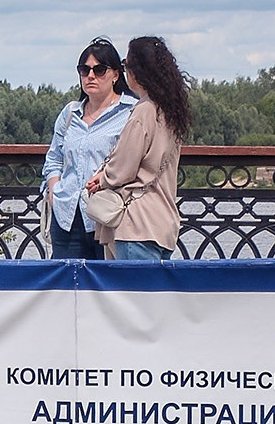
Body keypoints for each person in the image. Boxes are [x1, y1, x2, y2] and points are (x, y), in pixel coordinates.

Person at [85, 36, 189, 262]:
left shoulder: (143, 111)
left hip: (137, 224)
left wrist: (101, 179)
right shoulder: (169, 111)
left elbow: (123, 167)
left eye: (126, 64)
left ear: (137, 71)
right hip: (163, 222)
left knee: (130, 285)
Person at [40, 39, 133, 260]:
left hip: (108, 215)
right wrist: (54, 191)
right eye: (84, 70)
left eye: (99, 70)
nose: (91, 76)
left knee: (106, 279)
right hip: (67, 215)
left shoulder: (130, 112)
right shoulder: (70, 113)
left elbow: (132, 162)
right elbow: (54, 158)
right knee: (66, 279)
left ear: (115, 75)